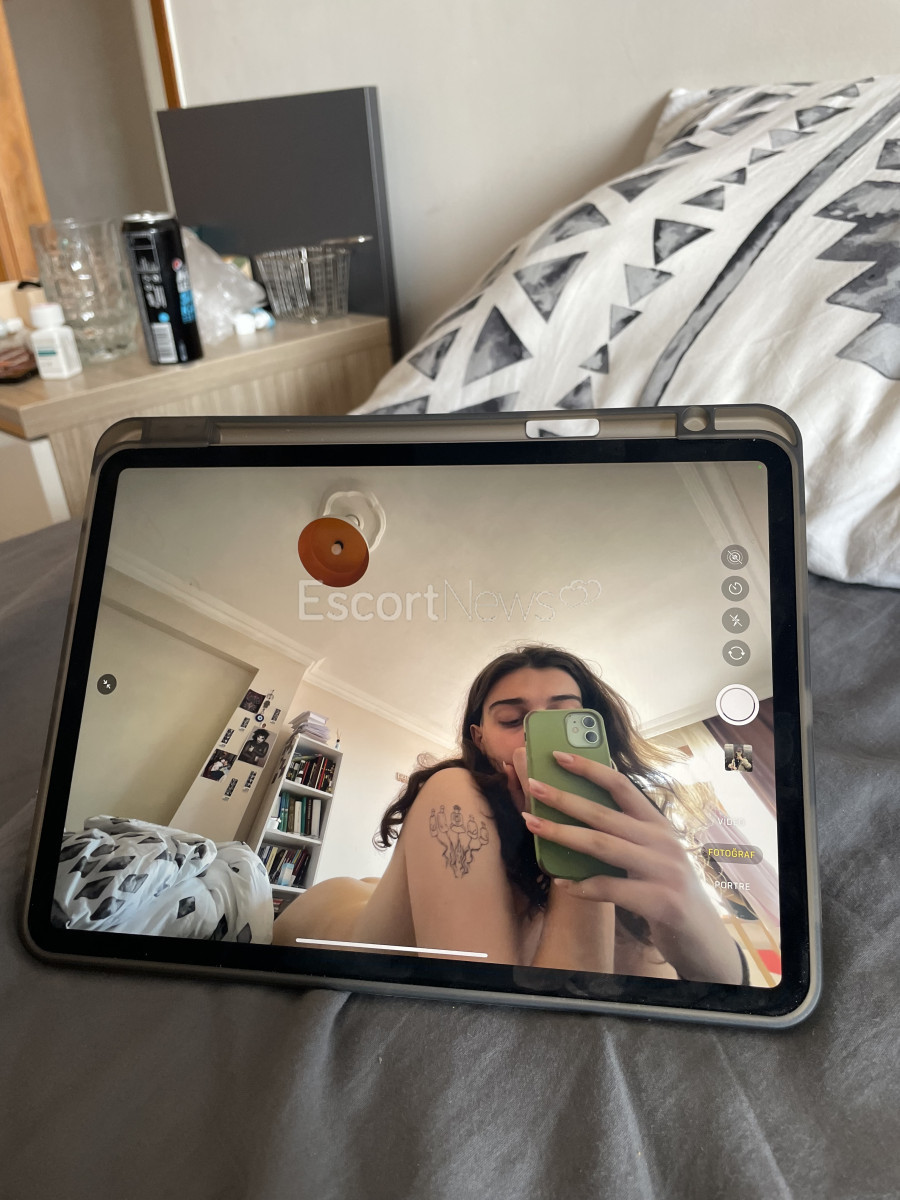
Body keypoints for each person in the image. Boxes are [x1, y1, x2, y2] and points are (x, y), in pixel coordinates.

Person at [273, 645, 745, 985]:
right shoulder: (453, 790)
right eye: (512, 720)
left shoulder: (631, 841)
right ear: (479, 739)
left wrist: (701, 928)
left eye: (564, 720)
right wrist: (576, 853)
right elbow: (512, 1030)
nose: (536, 738)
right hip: (321, 915)